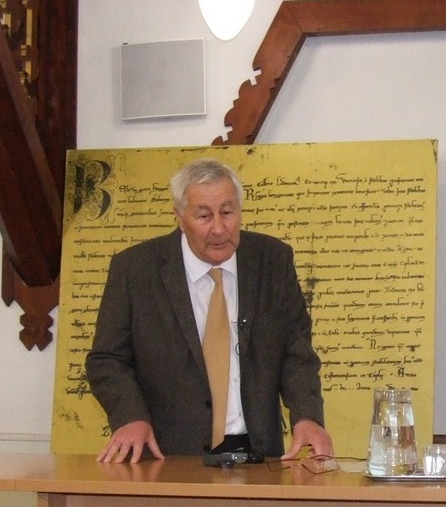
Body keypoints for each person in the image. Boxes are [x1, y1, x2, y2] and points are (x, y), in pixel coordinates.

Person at [86, 157, 333, 463]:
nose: (219, 229)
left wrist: (307, 417)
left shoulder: (272, 261)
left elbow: (296, 350)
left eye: (227, 212)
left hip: (258, 453)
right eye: (204, 216)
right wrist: (130, 417)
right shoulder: (135, 270)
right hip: (170, 455)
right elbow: (106, 359)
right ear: (180, 217)